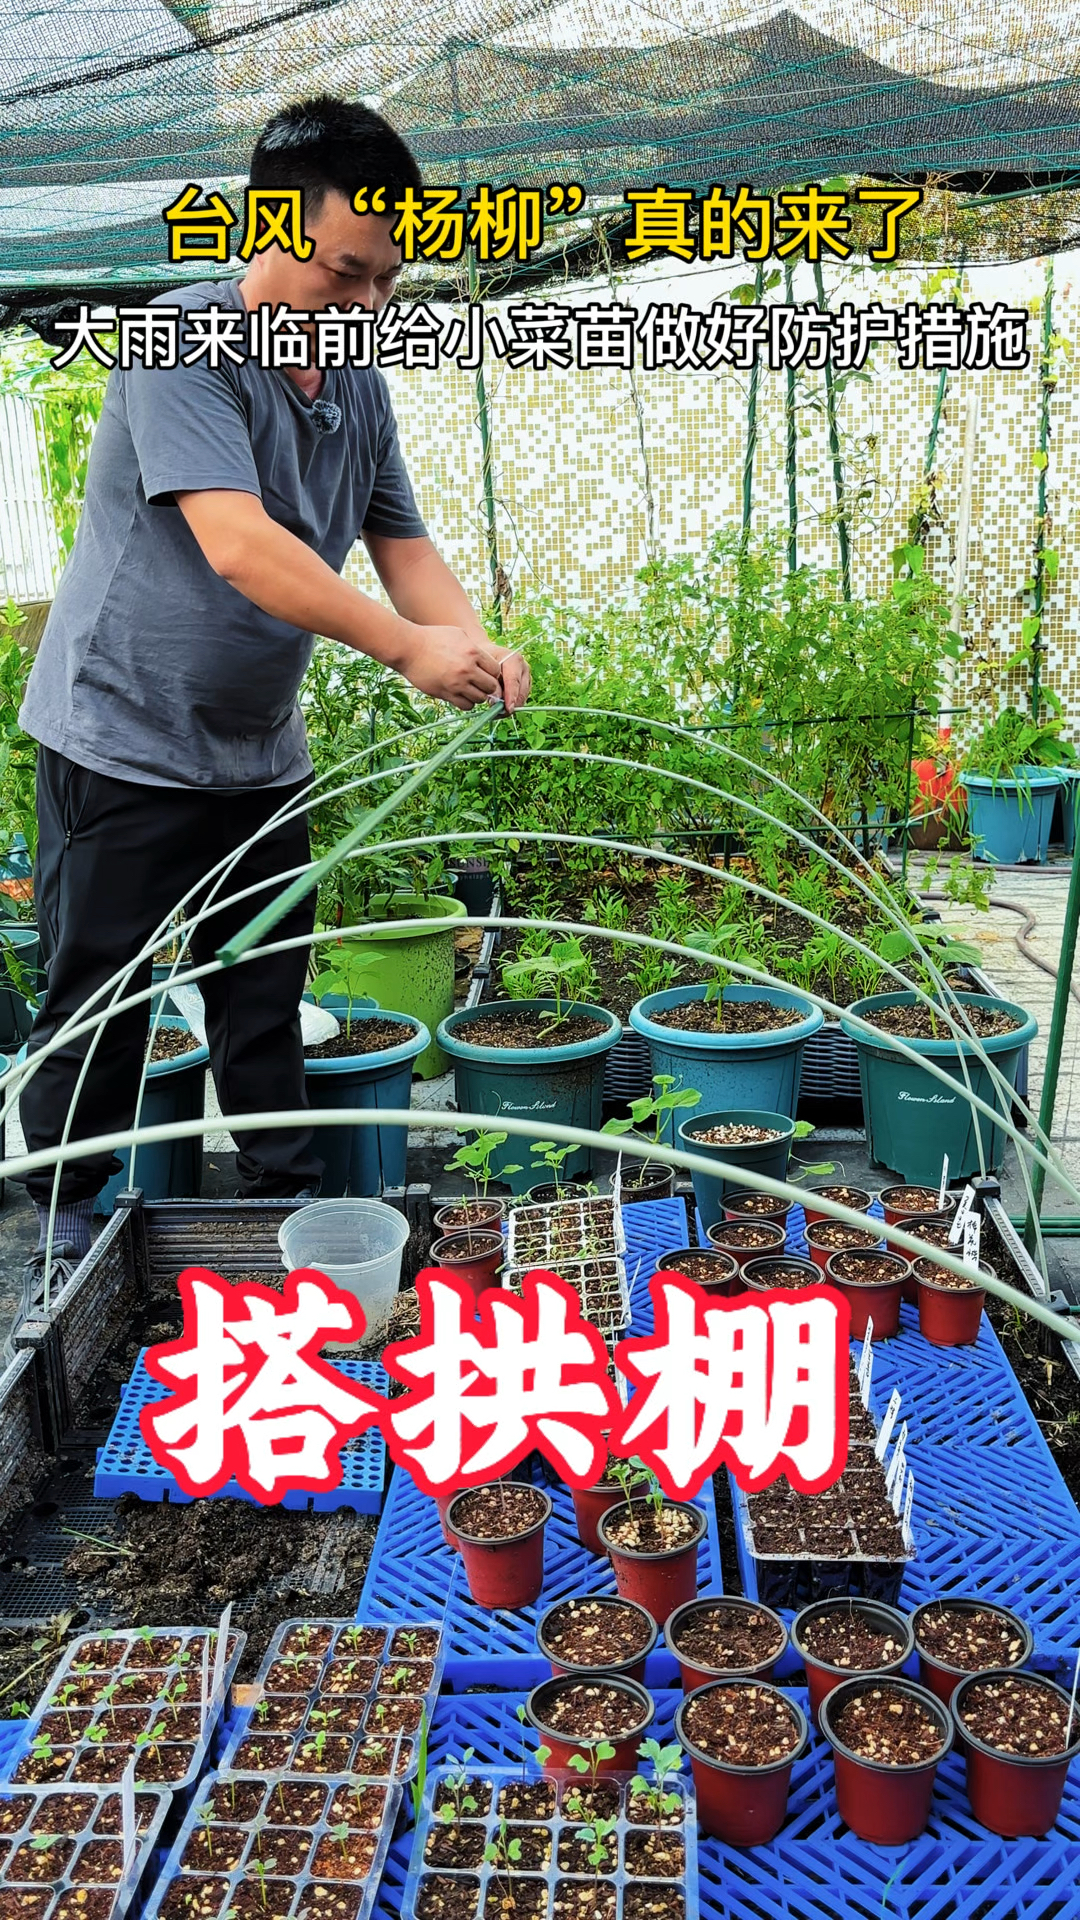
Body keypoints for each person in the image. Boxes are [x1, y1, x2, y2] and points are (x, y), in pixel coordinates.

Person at [16, 94, 530, 1301]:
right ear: (268, 228)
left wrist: (469, 639)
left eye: (384, 283)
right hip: (123, 737)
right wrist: (406, 652)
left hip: (255, 748)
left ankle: (284, 1206)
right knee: (105, 995)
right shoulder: (181, 345)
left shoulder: (354, 376)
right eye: (346, 273)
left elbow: (397, 535)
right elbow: (241, 546)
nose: (364, 306)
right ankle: (68, 1234)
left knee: (266, 991)